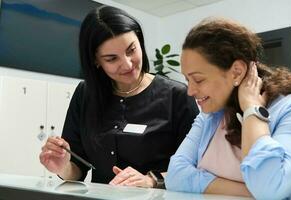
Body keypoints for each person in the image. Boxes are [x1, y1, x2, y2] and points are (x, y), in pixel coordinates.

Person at [39, 5, 199, 188]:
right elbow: (77, 169)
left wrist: (152, 180)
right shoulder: (85, 94)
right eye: (112, 59)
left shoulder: (177, 96)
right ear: (95, 61)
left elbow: (195, 168)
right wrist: (63, 166)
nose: (127, 64)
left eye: (131, 50)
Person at [165, 17, 291, 199]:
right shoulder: (209, 116)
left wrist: (252, 110)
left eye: (198, 79)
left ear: (236, 71)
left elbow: (270, 187)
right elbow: (176, 175)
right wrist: (251, 193)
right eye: (187, 80)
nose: (190, 91)